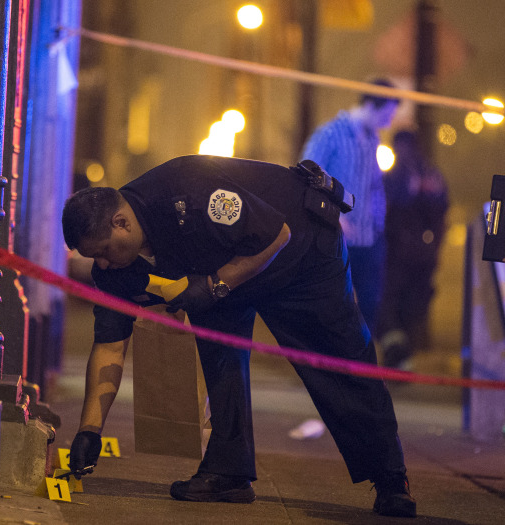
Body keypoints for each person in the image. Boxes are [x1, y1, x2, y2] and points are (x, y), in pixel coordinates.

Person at [61, 154, 416, 517]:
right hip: (223, 270)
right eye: (94, 258)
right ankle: (228, 471)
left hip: (300, 250)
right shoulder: (114, 270)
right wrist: (89, 431)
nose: (101, 265)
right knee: (220, 355)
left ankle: (390, 478)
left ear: (120, 223)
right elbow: (109, 346)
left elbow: (275, 235)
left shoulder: (187, 188)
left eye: (103, 251)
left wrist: (215, 286)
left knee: (338, 361)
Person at [301, 79, 400, 334]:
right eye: (386, 115)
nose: (388, 123)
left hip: (369, 240)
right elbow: (305, 175)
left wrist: (379, 224)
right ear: (370, 105)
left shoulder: (372, 139)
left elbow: (374, 186)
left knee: (368, 306)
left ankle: (358, 364)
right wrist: (336, 217)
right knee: (333, 305)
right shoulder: (330, 134)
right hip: (337, 237)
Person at [378, 131, 448, 368]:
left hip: (402, 255)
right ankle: (399, 356)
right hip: (414, 255)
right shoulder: (430, 175)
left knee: (394, 306)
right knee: (402, 307)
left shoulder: (411, 175)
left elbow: (388, 207)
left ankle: (398, 356)